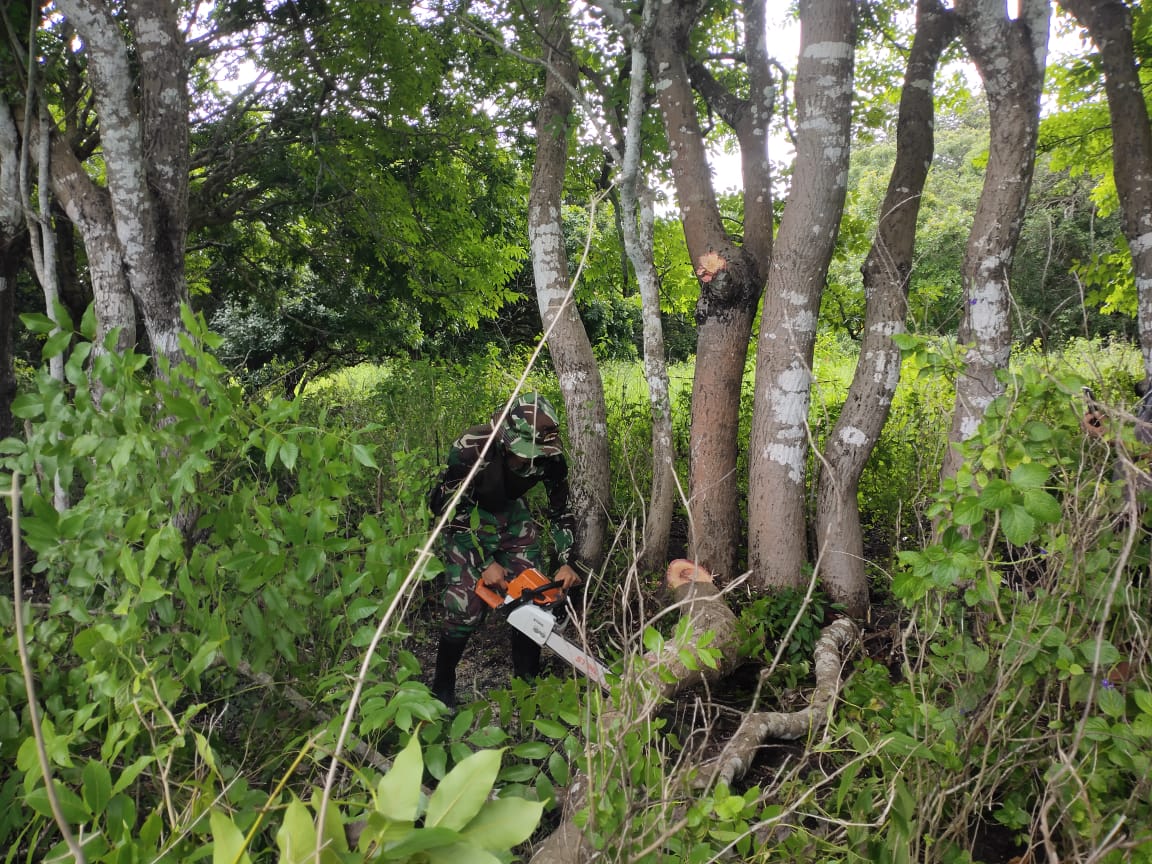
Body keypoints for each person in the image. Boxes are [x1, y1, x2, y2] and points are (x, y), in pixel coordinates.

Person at [427, 392, 584, 708]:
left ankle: (527, 687)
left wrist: (567, 561)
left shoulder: (551, 460)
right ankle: (442, 685)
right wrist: (484, 561)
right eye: (524, 455)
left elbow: (560, 511)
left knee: (533, 595)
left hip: (510, 512)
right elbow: (447, 508)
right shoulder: (471, 447)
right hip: (464, 516)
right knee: (465, 606)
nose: (531, 462)